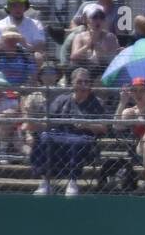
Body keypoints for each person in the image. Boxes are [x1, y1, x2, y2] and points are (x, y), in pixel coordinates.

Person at [31, 67, 107, 196]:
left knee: (77, 143)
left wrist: (87, 125)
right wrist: (34, 124)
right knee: (45, 138)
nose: (83, 85)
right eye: (80, 82)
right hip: (59, 135)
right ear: (72, 83)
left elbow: (104, 128)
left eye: (86, 82)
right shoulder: (62, 99)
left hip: (83, 137)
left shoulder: (97, 103)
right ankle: (46, 182)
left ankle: (72, 181)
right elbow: (48, 120)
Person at [0, 0, 45, 74]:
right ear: (8, 8)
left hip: (27, 57)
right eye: (14, 5)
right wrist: (5, 39)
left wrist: (24, 43)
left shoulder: (36, 24)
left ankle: (31, 85)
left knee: (38, 56)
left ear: (25, 7)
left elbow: (40, 46)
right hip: (3, 56)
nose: (18, 9)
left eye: (21, 5)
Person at [69, 4, 120, 81]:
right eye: (95, 17)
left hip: (103, 73)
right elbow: (73, 57)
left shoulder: (110, 37)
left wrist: (96, 45)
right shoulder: (80, 37)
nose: (98, 20)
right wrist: (87, 46)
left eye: (101, 17)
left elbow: (112, 60)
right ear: (87, 20)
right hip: (84, 73)